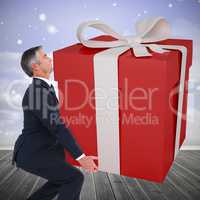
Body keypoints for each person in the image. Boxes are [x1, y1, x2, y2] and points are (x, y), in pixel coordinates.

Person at [11, 46, 98, 200]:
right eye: (45, 56)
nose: (50, 58)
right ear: (35, 67)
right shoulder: (37, 92)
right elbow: (57, 126)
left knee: (61, 181)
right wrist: (81, 157)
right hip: (32, 153)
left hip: (41, 150)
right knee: (74, 178)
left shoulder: (44, 89)